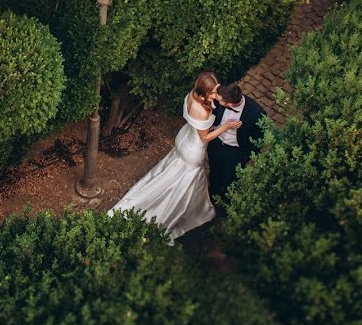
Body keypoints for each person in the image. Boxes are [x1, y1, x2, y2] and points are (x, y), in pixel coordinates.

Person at [109, 72, 241, 243]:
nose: (216, 95)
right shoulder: (203, 112)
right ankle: (178, 211)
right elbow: (205, 137)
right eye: (214, 92)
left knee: (171, 173)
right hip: (193, 150)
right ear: (205, 91)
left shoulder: (192, 96)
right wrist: (225, 127)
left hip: (184, 138)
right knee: (183, 183)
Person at [207, 82, 265, 202]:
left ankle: (226, 203)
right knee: (214, 174)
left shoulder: (256, 113)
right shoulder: (221, 99)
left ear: (230, 104)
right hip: (217, 144)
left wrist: (244, 158)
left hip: (235, 152)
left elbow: (258, 140)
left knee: (229, 180)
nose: (217, 100)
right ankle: (212, 198)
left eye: (221, 101)